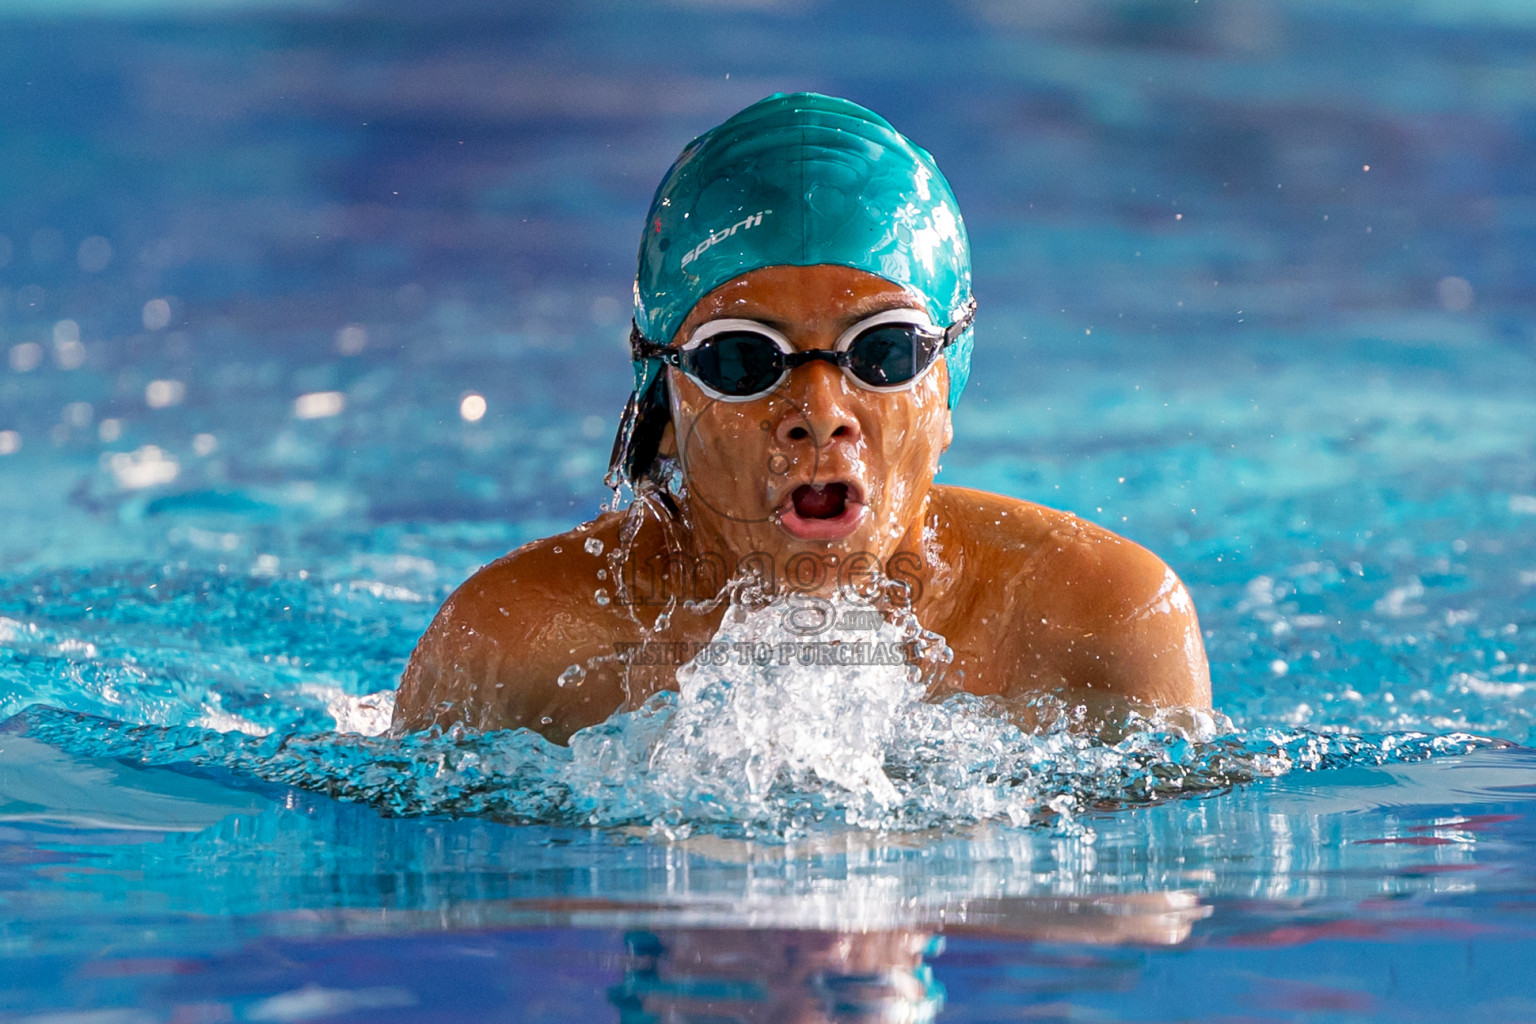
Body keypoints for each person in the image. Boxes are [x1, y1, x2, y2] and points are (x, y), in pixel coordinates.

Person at [392, 93, 1210, 744]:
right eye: (741, 359)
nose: (820, 415)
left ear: (946, 388)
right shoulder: (516, 641)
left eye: (883, 351)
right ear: (665, 406)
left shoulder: (1106, 623)